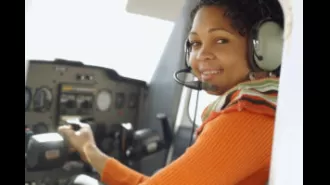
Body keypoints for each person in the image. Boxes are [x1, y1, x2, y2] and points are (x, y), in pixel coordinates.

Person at [59, 0, 284, 184]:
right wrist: (90, 151)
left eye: (221, 40)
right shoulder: (271, 107)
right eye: (195, 43)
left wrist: (90, 153)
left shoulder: (249, 116)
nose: (201, 55)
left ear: (267, 47)